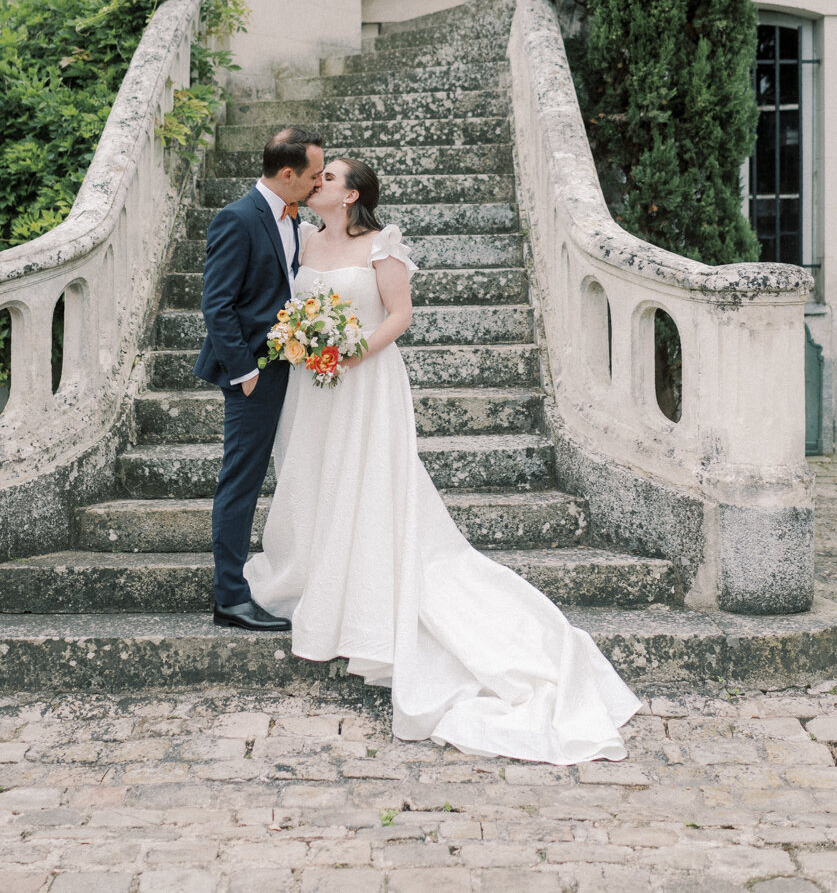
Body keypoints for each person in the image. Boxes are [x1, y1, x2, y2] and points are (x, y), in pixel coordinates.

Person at [244, 157, 641, 762]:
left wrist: (349, 352)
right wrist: (306, 343)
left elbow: (399, 316)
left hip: (363, 379)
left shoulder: (382, 246)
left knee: (369, 483)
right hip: (312, 384)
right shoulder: (298, 238)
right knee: (315, 479)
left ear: (350, 196)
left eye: (329, 178)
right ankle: (320, 575)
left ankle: (373, 602)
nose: (316, 181)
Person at [195, 126, 324, 631]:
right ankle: (230, 596)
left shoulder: (296, 219)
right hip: (255, 373)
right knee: (242, 481)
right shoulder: (238, 218)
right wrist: (244, 372)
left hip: (293, 366)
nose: (318, 184)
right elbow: (217, 305)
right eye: (313, 175)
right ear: (287, 173)